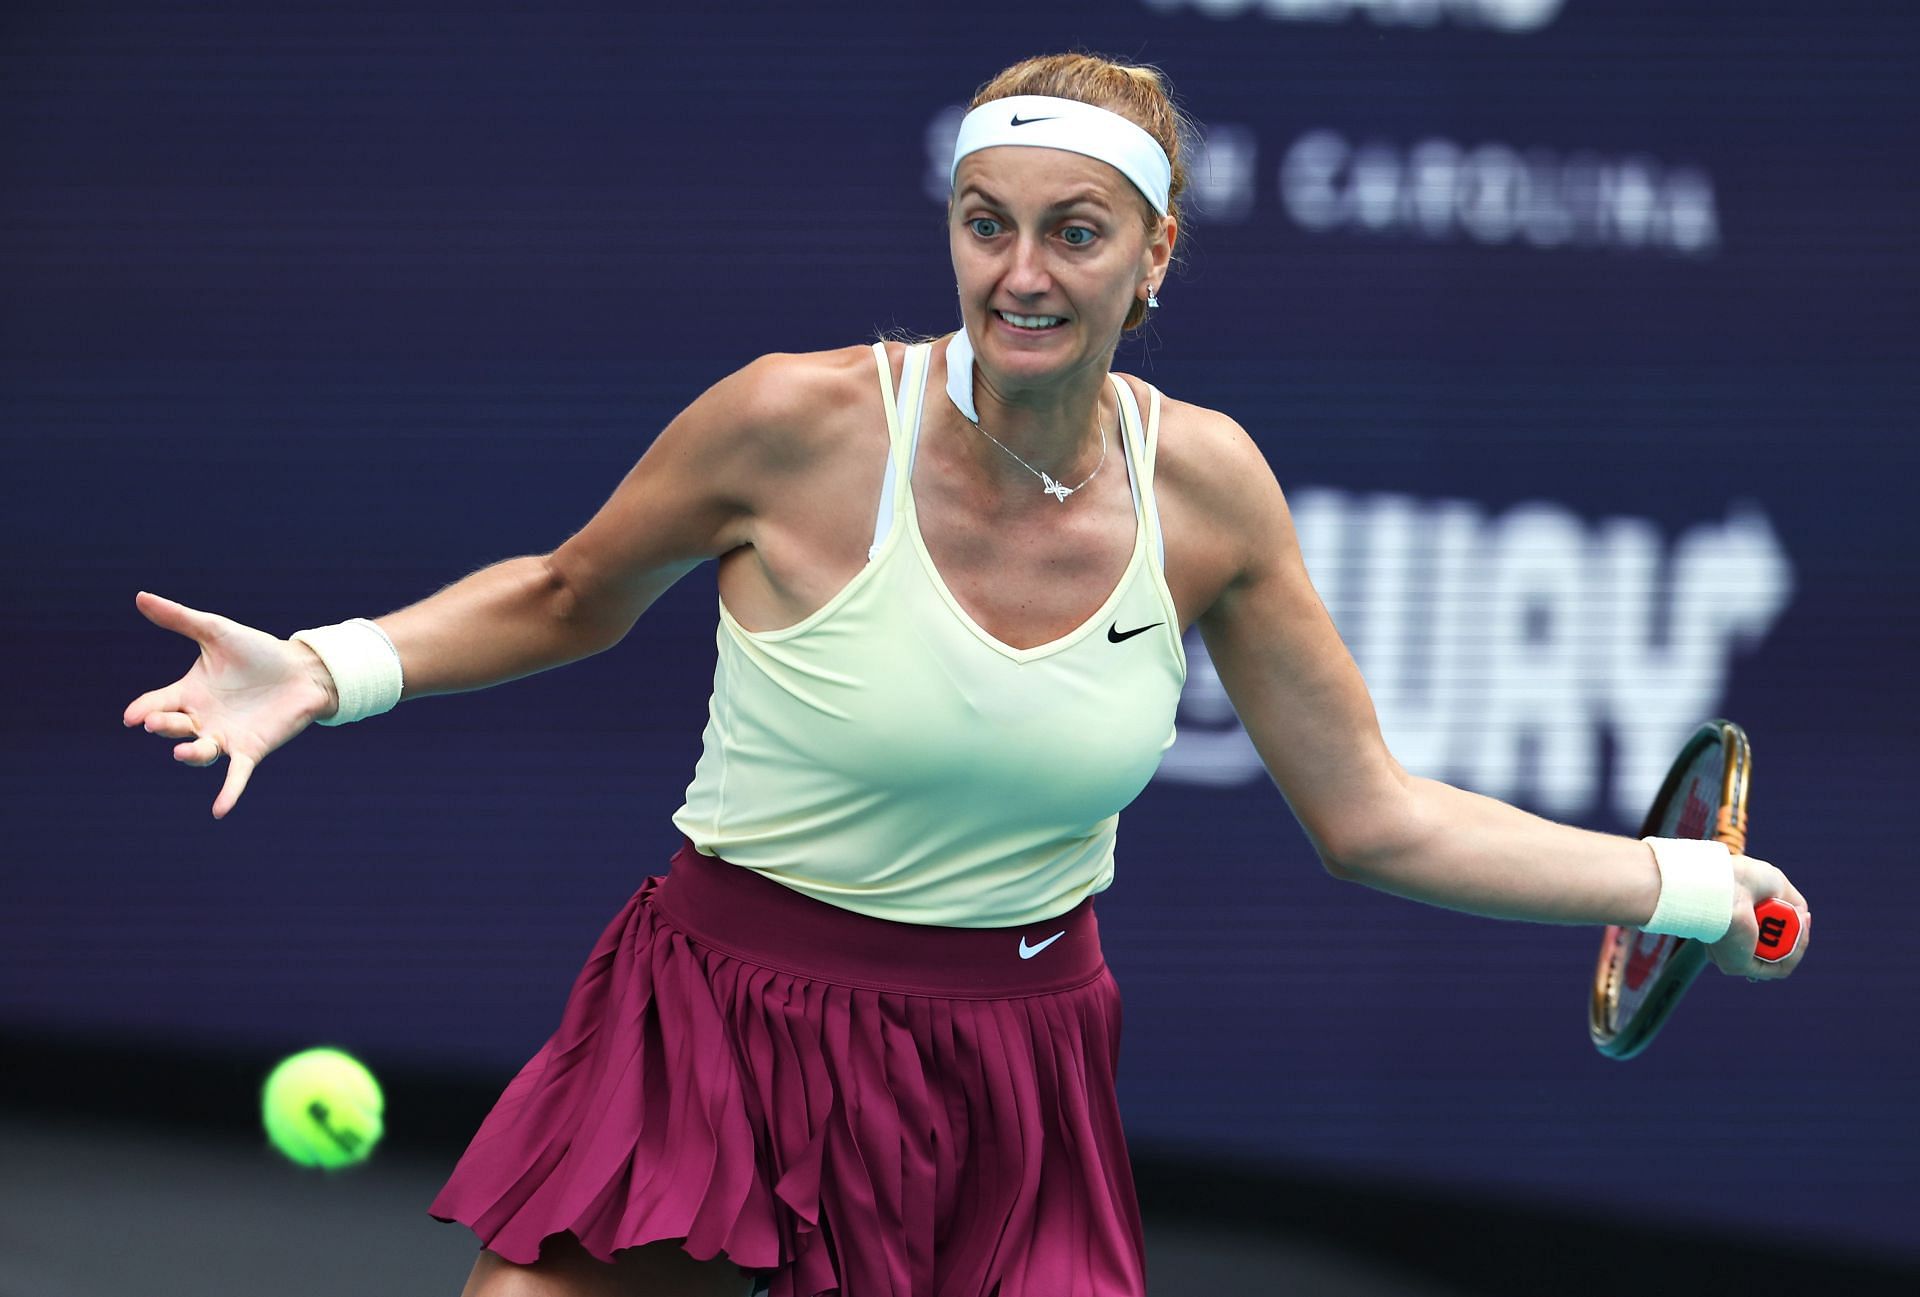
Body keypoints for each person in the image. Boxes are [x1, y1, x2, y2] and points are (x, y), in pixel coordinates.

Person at [123, 52, 1810, 1297]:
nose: (1021, 273)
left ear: (1153, 261)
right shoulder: (796, 423)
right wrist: (329, 670)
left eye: (1075, 234)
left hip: (1010, 1062)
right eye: (985, 225)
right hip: (724, 1021)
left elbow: (1372, 816)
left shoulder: (1210, 486)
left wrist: (1676, 882)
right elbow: (570, 593)